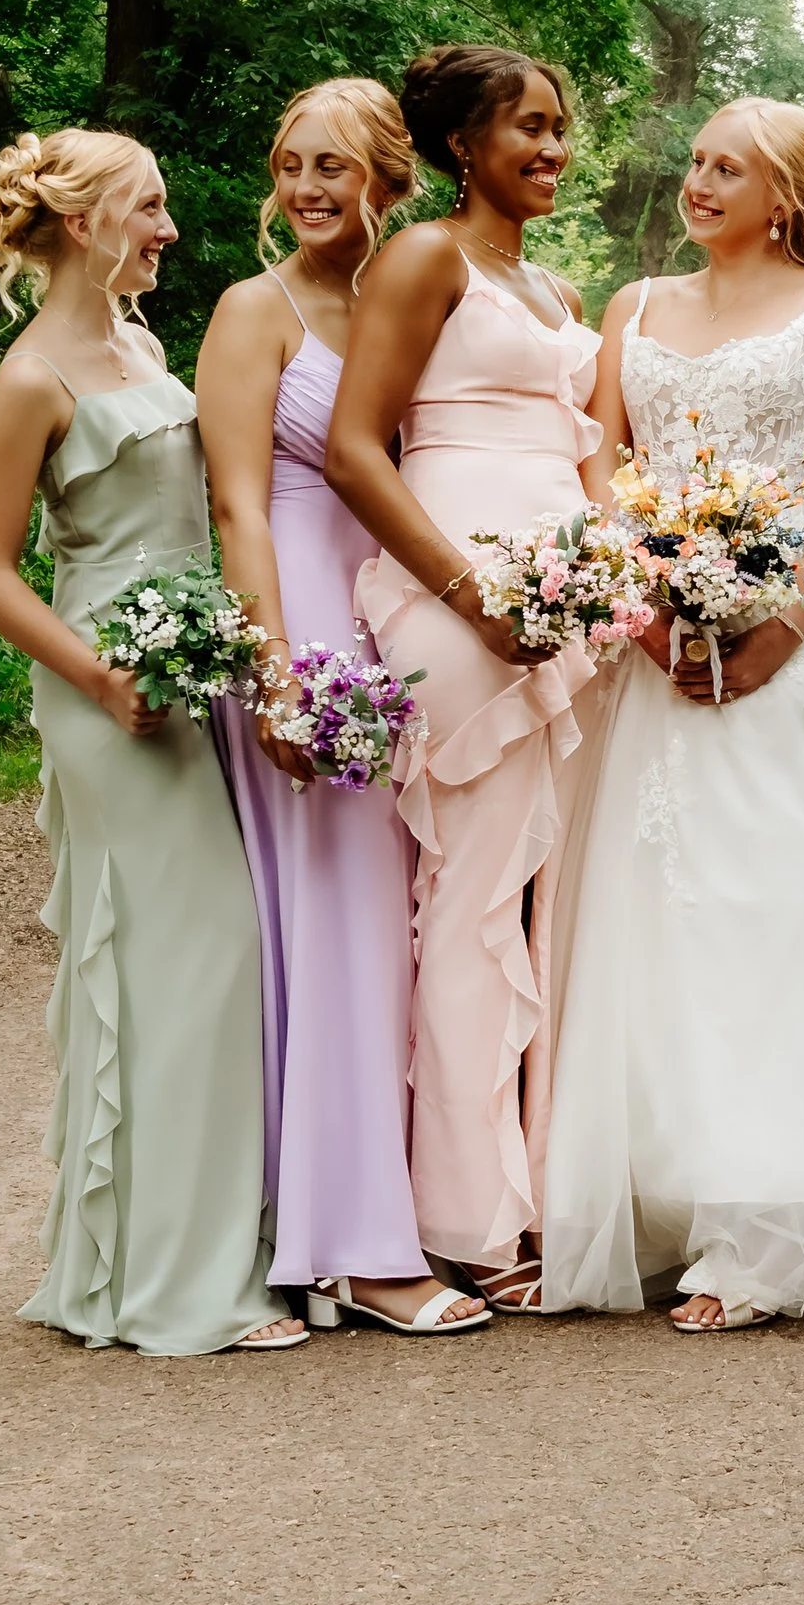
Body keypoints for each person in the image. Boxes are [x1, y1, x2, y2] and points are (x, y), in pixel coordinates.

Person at [0, 128, 297, 1355]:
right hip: (107, 686)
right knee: (179, 964)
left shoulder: (144, 346)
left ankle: (180, 1256)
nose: (165, 228)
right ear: (88, 219)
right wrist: (99, 679)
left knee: (205, 971)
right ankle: (176, 1290)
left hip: (185, 669)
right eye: (148, 209)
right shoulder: (33, 378)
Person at [543, 102, 804, 1328]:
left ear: (785, 192)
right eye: (694, 162)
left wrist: (779, 621)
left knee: (764, 913)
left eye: (725, 167)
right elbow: (600, 464)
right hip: (652, 651)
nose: (697, 182)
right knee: (651, 922)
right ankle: (653, 1208)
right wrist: (646, 605)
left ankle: (764, 1238)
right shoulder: (631, 307)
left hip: (786, 649)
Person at [196, 81, 484, 1338]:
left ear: (389, 181)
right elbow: (238, 506)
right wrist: (278, 670)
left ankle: (363, 1218)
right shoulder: (253, 312)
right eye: (294, 165)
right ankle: (360, 1252)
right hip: (308, 620)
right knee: (343, 934)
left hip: (393, 616)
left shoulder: (408, 300)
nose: (311, 189)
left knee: (401, 934)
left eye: (337, 169)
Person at [325, 45, 601, 1315]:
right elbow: (352, 451)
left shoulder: (546, 281)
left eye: (557, 130)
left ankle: (532, 1182)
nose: (550, 150)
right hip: (460, 597)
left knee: (545, 904)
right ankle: (463, 1219)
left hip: (565, 611)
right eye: (527, 130)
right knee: (477, 896)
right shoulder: (425, 259)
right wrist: (468, 592)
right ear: (461, 147)